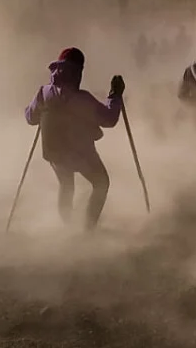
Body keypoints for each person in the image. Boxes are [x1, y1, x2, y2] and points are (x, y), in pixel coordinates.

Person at [24, 47, 125, 230]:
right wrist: (115, 95)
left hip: (53, 152)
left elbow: (30, 118)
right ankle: (87, 228)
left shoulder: (43, 92)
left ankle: (68, 226)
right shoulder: (82, 99)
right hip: (81, 153)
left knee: (66, 185)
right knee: (101, 183)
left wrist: (42, 112)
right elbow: (109, 119)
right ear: (78, 71)